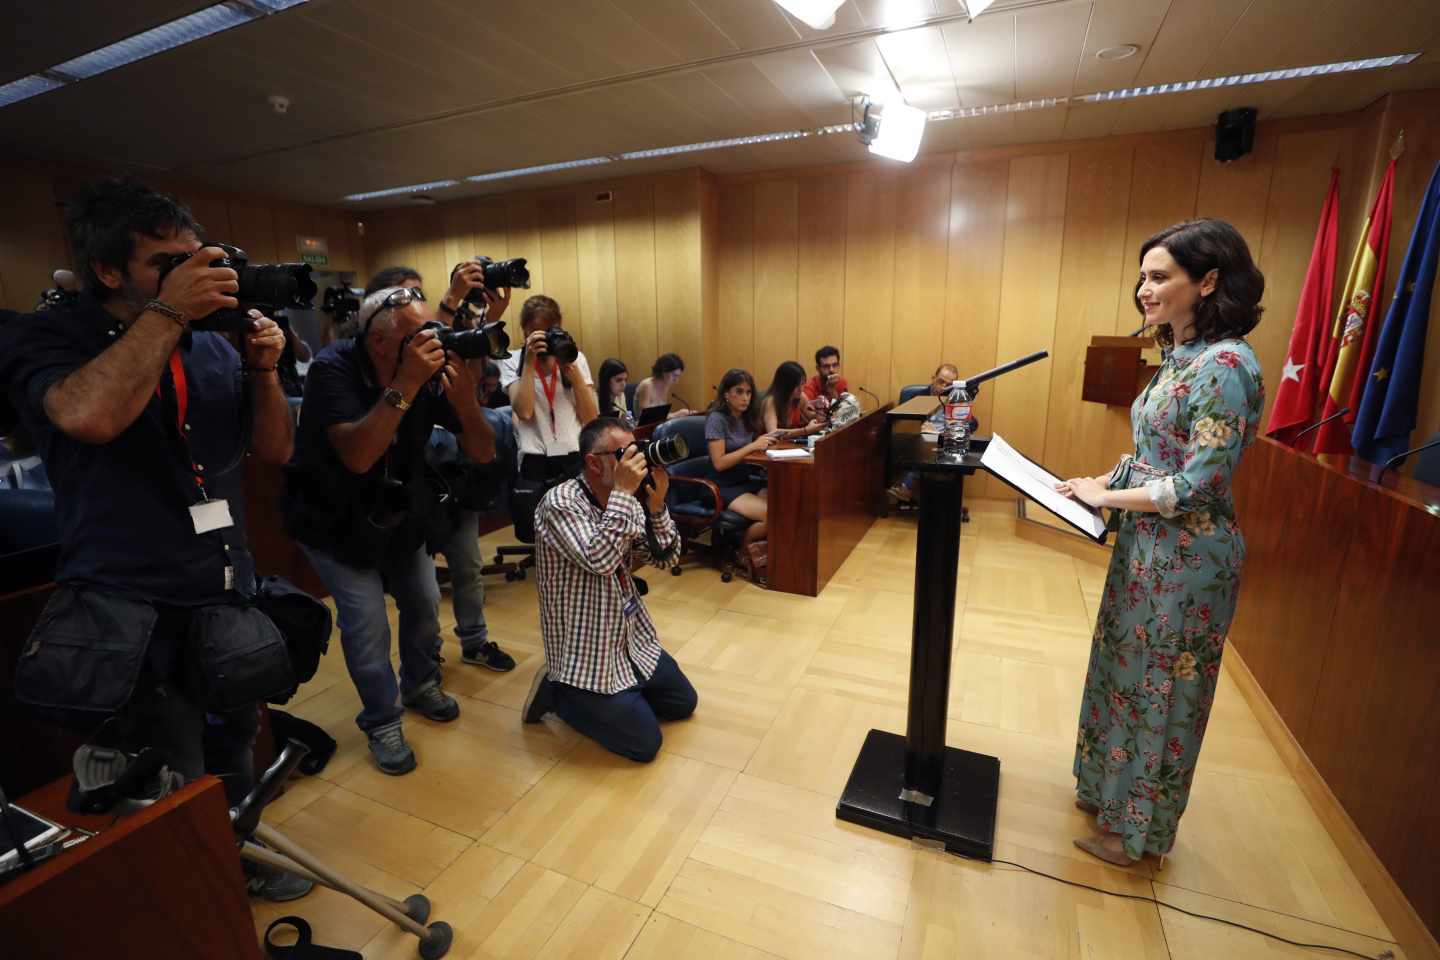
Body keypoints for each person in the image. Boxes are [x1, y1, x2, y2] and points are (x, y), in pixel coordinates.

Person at [0, 178, 306, 900]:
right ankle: (201, 903)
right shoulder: (50, 337)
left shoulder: (210, 344)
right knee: (171, 770)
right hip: (127, 607)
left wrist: (262, 371)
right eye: (167, 264)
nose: (192, 276)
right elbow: (89, 416)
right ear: (109, 272)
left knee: (235, 740)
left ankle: (237, 858)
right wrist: (169, 312)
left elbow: (276, 450)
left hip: (220, 585)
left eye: (195, 258)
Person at [1055, 219, 1265, 866]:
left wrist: (1107, 499)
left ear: (1208, 281)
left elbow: (1197, 485)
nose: (1144, 290)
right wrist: (1103, 480)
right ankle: (1106, 792)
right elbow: (1154, 456)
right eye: (1142, 277)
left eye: (1159, 277)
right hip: (1147, 548)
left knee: (1161, 692)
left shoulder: (1228, 365)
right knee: (1123, 670)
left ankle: (1138, 834)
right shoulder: (1178, 356)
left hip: (1189, 562)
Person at [285, 284, 498, 775]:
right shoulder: (332, 370)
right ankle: (382, 719)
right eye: (418, 334)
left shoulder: (427, 370)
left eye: (432, 329)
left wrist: (465, 401)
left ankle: (421, 684)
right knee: (367, 624)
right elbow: (358, 457)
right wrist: (404, 383)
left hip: (399, 513)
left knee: (424, 603)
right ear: (379, 343)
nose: (432, 340)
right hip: (333, 521)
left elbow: (483, 452)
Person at [361, 263, 517, 674]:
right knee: (421, 594)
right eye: (405, 298)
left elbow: (473, 390)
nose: (417, 308)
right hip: (404, 488)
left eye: (420, 296)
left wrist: (488, 323)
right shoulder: (368, 358)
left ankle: (474, 641)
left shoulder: (442, 340)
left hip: (451, 473)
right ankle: (424, 659)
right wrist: (449, 301)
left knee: (467, 565)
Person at [522, 416, 697, 762]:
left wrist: (657, 507)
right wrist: (623, 495)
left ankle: (621, 698)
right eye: (624, 453)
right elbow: (599, 560)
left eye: (636, 451)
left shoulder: (624, 500)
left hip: (628, 640)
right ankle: (559, 693)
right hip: (586, 653)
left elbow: (667, 558)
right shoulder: (560, 504)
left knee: (682, 703)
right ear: (592, 461)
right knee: (645, 744)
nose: (635, 461)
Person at [501, 294, 599, 487]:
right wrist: (529, 363)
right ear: (525, 332)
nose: (544, 342)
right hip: (535, 458)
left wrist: (573, 371)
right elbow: (524, 412)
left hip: (573, 454)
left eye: (548, 333)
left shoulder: (576, 359)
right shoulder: (513, 361)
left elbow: (590, 419)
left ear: (558, 327)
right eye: (536, 334)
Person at [705, 368, 779, 575]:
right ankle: (742, 550)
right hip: (722, 484)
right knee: (773, 515)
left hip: (744, 479)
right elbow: (719, 463)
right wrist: (752, 446)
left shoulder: (745, 418)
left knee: (783, 504)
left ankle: (740, 545)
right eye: (739, 391)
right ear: (726, 394)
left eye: (749, 393)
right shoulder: (716, 419)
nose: (745, 398)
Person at [887, 362, 959, 504]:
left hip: (943, 443)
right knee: (922, 451)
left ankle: (906, 488)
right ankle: (906, 489)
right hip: (918, 441)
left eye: (949, 385)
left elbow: (973, 423)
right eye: (941, 382)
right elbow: (902, 422)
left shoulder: (955, 401)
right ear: (933, 379)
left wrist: (944, 432)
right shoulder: (917, 397)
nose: (944, 387)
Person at [760, 360, 824, 438]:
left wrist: (820, 409)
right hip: (769, 448)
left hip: (788, 446)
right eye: (796, 385)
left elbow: (815, 419)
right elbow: (773, 433)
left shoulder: (800, 397)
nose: (801, 389)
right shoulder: (770, 401)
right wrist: (805, 430)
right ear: (785, 385)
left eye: (803, 383)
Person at [632, 352, 693, 420]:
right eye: (674, 376)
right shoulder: (647, 385)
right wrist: (676, 414)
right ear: (664, 371)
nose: (676, 380)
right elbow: (645, 417)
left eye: (678, 376)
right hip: (643, 427)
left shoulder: (665, 385)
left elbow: (660, 414)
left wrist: (680, 414)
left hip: (657, 424)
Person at [800, 345, 847, 421]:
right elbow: (812, 419)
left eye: (834, 365)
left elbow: (843, 413)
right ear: (818, 369)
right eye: (826, 366)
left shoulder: (841, 382)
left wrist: (832, 391)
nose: (831, 370)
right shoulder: (809, 387)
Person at [597, 357, 635, 427]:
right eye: (618, 380)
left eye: (625, 380)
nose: (623, 385)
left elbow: (624, 421)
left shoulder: (621, 396)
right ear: (606, 381)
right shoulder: (594, 399)